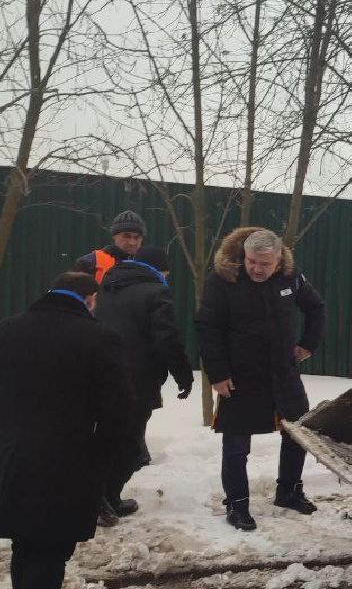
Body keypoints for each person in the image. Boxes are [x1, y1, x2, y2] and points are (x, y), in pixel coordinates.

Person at [0, 272, 132, 589]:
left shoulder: (3, 331)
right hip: (69, 458)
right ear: (89, 299)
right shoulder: (99, 339)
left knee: (25, 543)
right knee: (50, 547)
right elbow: (119, 409)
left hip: (12, 457)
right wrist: (101, 451)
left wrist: (3, 428)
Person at [195, 227, 326, 531]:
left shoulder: (291, 278)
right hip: (240, 377)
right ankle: (237, 505)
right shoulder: (224, 280)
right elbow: (207, 327)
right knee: (237, 445)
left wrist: (308, 343)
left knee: (297, 433)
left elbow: (316, 307)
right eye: (252, 261)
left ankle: (289, 491)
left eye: (264, 264)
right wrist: (218, 373)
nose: (256, 268)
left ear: (279, 260)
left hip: (283, 371)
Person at [95, 244, 194, 519]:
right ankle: (104, 498)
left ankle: (100, 496)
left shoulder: (106, 287)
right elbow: (167, 340)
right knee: (130, 444)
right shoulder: (156, 291)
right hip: (135, 380)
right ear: (160, 270)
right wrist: (183, 375)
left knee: (105, 439)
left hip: (99, 376)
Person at [74, 209, 147, 283]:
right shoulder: (91, 262)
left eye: (137, 237)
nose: (132, 243)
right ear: (114, 236)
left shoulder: (148, 263)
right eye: (126, 236)